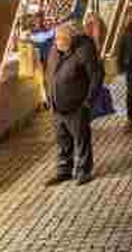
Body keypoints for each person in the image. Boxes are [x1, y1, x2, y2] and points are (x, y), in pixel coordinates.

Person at [44, 20, 102, 186]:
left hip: (77, 105)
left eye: (61, 39)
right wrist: (49, 98)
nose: (57, 42)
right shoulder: (55, 50)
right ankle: (64, 170)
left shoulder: (84, 50)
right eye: (56, 39)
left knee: (81, 139)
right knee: (63, 140)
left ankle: (84, 170)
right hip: (57, 106)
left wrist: (88, 102)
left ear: (71, 38)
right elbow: (49, 74)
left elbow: (96, 76)